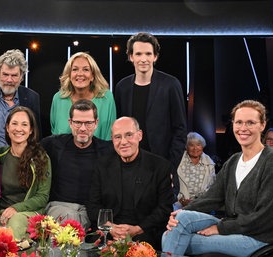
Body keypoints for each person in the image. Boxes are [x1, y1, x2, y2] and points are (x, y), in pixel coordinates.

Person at [162, 100, 273, 257]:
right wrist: (179, 213)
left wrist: (221, 228)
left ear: (262, 125)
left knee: (171, 238)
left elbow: (265, 217)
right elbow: (212, 197)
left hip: (260, 238)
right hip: (235, 226)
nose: (243, 128)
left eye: (250, 122)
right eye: (239, 122)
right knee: (181, 220)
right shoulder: (233, 161)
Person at [87, 117, 174, 249]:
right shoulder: (102, 166)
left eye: (129, 135)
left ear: (140, 135)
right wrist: (110, 227)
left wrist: (137, 229)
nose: (123, 142)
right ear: (112, 139)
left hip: (145, 233)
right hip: (109, 232)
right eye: (117, 137)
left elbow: (164, 209)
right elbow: (93, 206)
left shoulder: (160, 166)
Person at [114, 32, 187, 186]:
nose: (143, 59)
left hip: (161, 167)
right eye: (138, 53)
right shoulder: (122, 87)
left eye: (148, 53)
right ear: (131, 57)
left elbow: (180, 130)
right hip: (128, 167)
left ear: (155, 57)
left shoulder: (170, 85)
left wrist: (169, 168)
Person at [41, 99, 113, 231]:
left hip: (88, 210)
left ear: (96, 123)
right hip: (59, 207)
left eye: (88, 123)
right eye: (78, 122)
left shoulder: (107, 150)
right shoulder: (53, 144)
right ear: (70, 123)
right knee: (71, 218)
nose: (83, 128)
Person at [0, 106, 51, 239]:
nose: (19, 129)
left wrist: (16, 208)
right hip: (1, 212)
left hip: (29, 212)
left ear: (31, 130)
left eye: (24, 124)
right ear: (7, 128)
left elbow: (42, 196)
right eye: (14, 124)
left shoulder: (41, 158)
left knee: (15, 221)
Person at [0, 49, 41, 147]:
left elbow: (36, 134)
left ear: (21, 76)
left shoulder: (32, 97)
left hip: (22, 157)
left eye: (14, 75)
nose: (9, 80)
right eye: (5, 74)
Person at [50, 52, 116, 141]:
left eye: (85, 70)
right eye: (75, 69)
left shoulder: (106, 98)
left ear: (93, 76)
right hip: (63, 154)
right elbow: (55, 135)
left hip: (100, 153)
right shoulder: (58, 98)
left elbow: (109, 135)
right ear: (69, 75)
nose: (80, 74)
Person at [175, 132, 216, 209]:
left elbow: (211, 186)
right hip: (180, 202)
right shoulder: (179, 161)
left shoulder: (209, 164)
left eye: (198, 145)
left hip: (202, 204)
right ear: (186, 147)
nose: (195, 148)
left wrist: (201, 201)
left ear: (202, 146)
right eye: (191, 145)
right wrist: (181, 200)